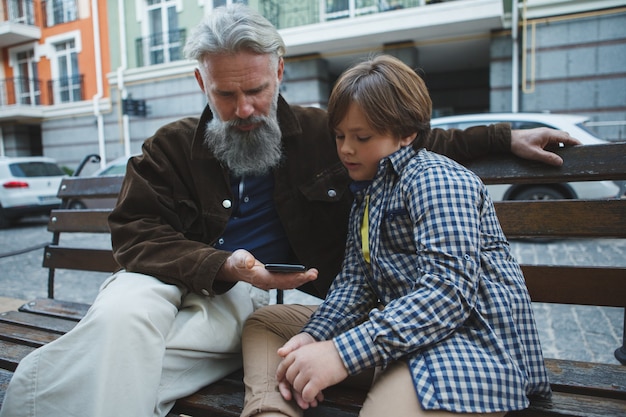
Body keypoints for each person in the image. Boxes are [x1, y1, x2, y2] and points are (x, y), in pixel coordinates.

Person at [0, 5, 575, 417]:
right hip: (181, 281)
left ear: (280, 72)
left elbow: (409, 142)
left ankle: (41, 401)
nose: (245, 108)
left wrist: (504, 135)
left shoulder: (326, 133)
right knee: (124, 313)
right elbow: (133, 233)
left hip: (256, 303)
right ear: (202, 82)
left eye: (256, 90)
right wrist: (223, 264)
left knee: (140, 351)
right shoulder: (170, 146)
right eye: (226, 95)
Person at [241, 55, 551, 417]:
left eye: (362, 137)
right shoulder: (369, 191)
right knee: (268, 323)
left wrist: (341, 353)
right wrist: (315, 337)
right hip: (401, 335)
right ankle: (272, 411)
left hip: (468, 347)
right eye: (339, 135)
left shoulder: (435, 180)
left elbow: (447, 293)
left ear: (407, 133)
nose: (345, 149)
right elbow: (356, 284)